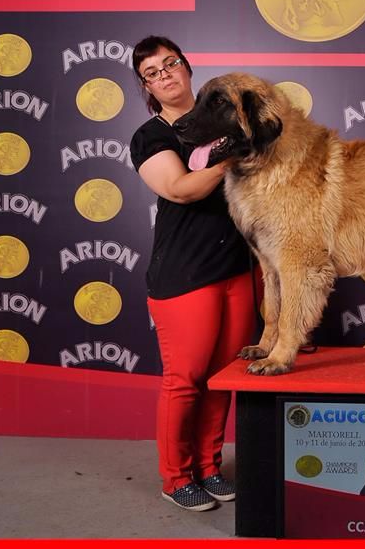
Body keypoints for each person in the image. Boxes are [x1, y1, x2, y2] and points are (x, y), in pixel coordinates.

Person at [129, 35, 256, 512]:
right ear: (147, 86)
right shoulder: (152, 136)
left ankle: (208, 465)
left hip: (234, 269)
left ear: (186, 66)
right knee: (184, 379)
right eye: (152, 72)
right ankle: (175, 476)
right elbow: (182, 189)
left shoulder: (223, 119)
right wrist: (234, 154)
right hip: (184, 274)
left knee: (221, 378)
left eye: (170, 63)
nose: (165, 74)